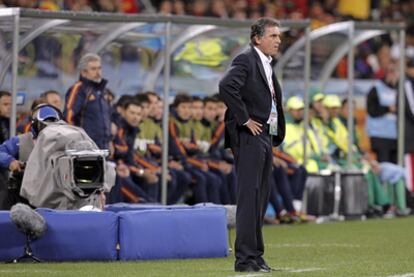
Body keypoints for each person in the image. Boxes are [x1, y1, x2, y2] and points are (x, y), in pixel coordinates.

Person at [219, 17, 285, 273]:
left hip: (265, 135)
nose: (278, 40)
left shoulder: (266, 63)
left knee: (260, 197)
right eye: (273, 36)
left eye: (279, 36)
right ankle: (245, 259)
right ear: (258, 38)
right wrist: (244, 118)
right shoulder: (246, 59)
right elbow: (226, 86)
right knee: (249, 196)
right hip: (249, 136)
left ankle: (256, 257)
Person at [63, 53, 112, 150]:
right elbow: (68, 117)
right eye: (93, 69)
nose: (98, 72)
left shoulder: (103, 91)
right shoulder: (78, 89)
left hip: (103, 146)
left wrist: (110, 141)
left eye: (99, 68)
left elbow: (107, 118)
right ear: (83, 72)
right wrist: (78, 141)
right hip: (86, 147)